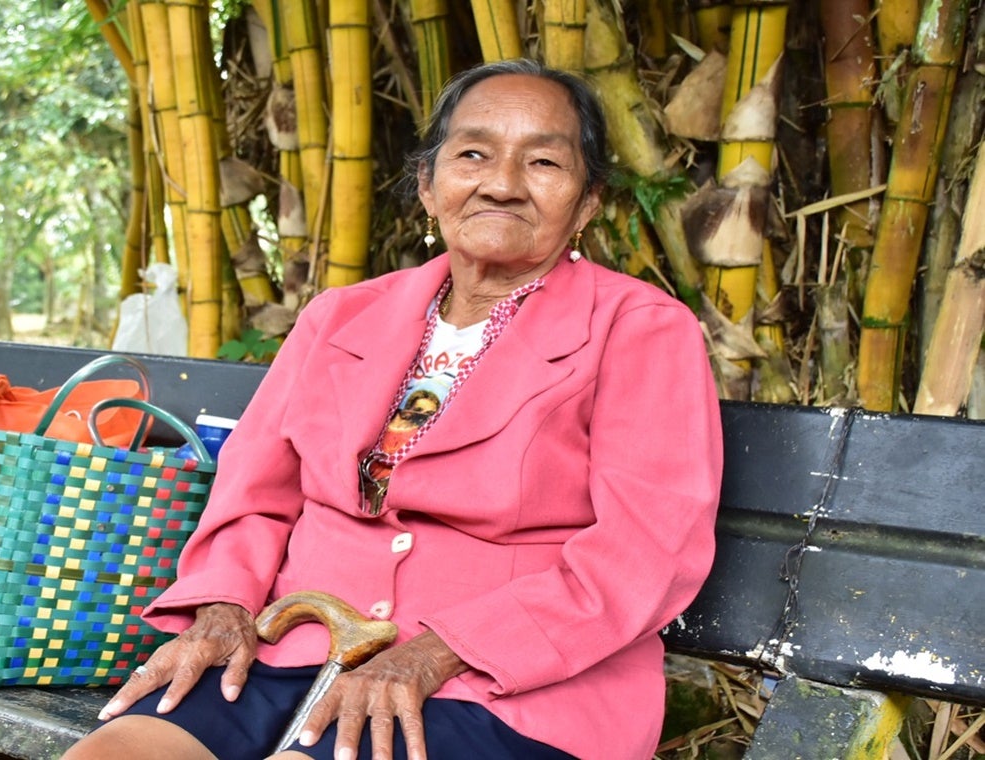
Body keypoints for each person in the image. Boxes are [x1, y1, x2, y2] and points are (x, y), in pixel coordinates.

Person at [62, 58, 722, 760]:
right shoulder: (341, 316)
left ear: (587, 202)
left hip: (506, 685)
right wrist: (224, 606)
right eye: (472, 154)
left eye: (543, 163)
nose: (501, 183)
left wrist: (437, 652)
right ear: (428, 187)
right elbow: (253, 496)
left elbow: (644, 554)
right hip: (291, 646)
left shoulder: (641, 329)